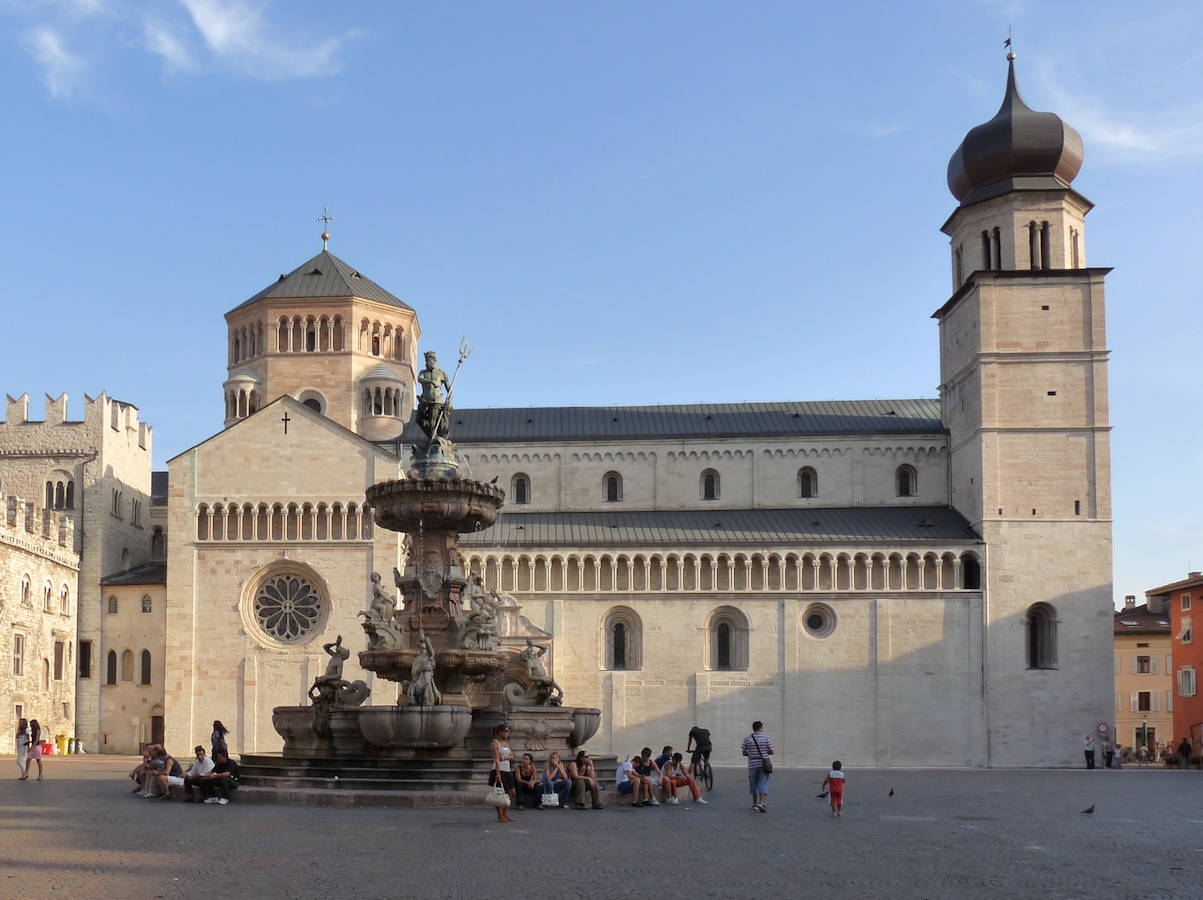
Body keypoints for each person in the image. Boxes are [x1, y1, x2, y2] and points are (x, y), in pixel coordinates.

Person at [741, 720, 774, 812]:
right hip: (763, 764)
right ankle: (761, 802)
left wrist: (751, 754)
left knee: (753, 783)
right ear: (761, 728)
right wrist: (764, 753)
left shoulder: (748, 738)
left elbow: (744, 752)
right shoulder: (766, 738)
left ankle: (754, 803)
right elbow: (772, 751)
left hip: (752, 763)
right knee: (763, 782)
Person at [490, 723, 516, 822]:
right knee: (499, 792)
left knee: (512, 792)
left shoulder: (507, 744)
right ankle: (499, 814)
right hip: (499, 769)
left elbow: (512, 756)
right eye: (506, 731)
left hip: (507, 769)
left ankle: (505, 812)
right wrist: (498, 774)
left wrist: (504, 757)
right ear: (500, 732)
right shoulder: (495, 744)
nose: (507, 733)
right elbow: (496, 759)